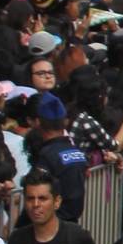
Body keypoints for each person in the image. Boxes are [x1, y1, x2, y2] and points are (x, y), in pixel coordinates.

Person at [29, 92, 89, 222]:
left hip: (52, 225)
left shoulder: (47, 155)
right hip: (72, 224)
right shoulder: (77, 152)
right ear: (65, 121)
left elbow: (37, 188)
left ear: (38, 122)